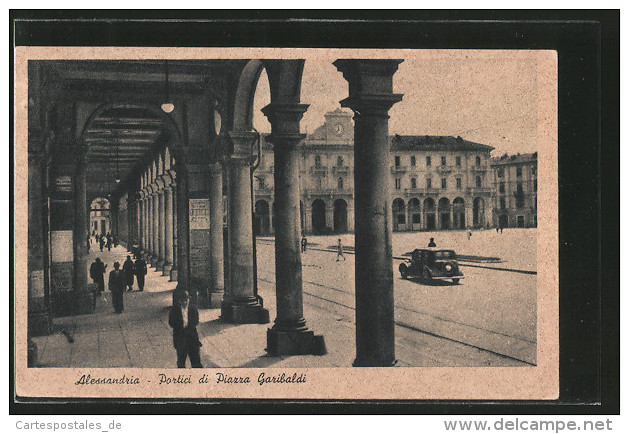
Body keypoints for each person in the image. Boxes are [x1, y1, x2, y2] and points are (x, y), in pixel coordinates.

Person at [169, 290, 203, 368]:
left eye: (186, 300)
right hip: (180, 338)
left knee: (196, 361)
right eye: (182, 301)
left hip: (192, 338)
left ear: (189, 299)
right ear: (179, 301)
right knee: (181, 362)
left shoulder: (193, 309)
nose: (184, 302)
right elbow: (171, 322)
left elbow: (195, 321)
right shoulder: (174, 310)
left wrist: (187, 329)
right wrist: (181, 327)